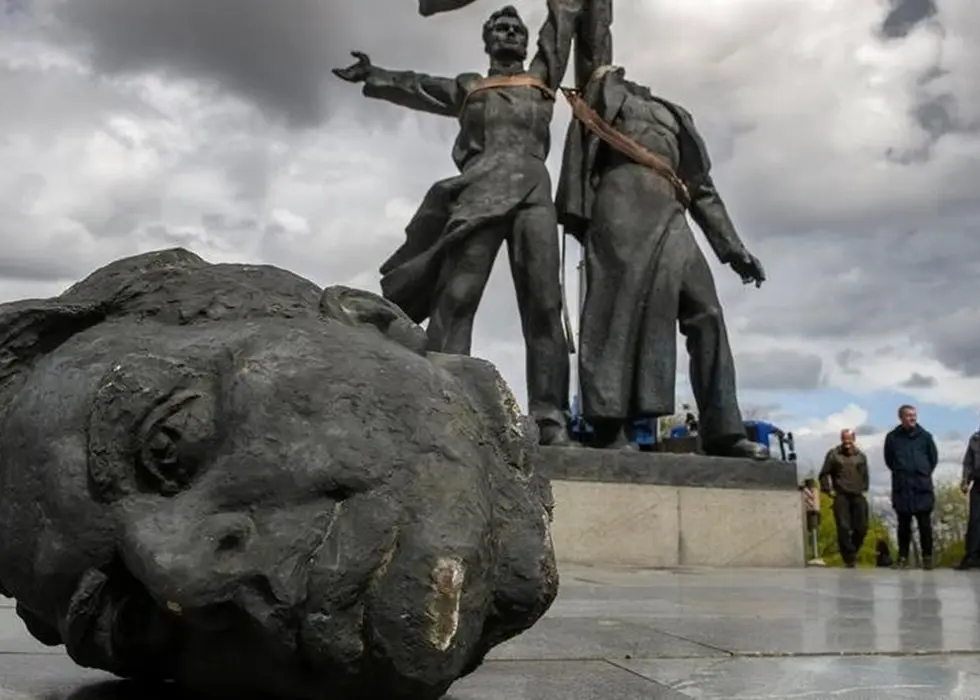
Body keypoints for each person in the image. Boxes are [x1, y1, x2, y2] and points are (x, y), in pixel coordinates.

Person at [334, 3, 589, 446]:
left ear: (527, 44)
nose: (510, 33)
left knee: (544, 305)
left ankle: (550, 414)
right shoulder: (470, 86)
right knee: (457, 296)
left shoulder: (541, 77)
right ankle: (444, 399)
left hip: (532, 190)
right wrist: (375, 75)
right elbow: (418, 86)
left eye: (517, 29)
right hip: (481, 188)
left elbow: (562, 22)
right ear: (487, 40)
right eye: (501, 28)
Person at [554, 0, 766, 458]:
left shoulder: (674, 114)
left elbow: (702, 189)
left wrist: (734, 249)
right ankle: (612, 428)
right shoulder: (607, 91)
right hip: (620, 207)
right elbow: (594, 37)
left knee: (705, 311)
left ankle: (723, 429)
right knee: (616, 312)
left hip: (671, 214)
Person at [884, 404, 938, 570]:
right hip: (903, 488)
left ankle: (928, 558)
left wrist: (922, 472)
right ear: (901, 418)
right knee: (903, 526)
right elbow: (889, 460)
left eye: (914, 415)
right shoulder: (892, 438)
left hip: (922, 488)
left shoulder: (926, 437)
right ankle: (903, 558)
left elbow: (933, 459)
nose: (912, 418)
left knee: (925, 526)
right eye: (909, 415)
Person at [819, 429, 870, 568]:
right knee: (843, 527)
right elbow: (824, 474)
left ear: (854, 439)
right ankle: (849, 557)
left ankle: (853, 549)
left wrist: (865, 489)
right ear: (841, 439)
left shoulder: (861, 456)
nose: (847, 443)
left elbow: (865, 474)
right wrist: (828, 490)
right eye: (844, 439)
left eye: (849, 439)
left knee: (862, 527)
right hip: (841, 494)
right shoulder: (834, 455)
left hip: (858, 494)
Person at [957, 427, 980, 570]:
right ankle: (973, 556)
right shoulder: (975, 438)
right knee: (975, 521)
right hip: (978, 483)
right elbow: (968, 462)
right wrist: (965, 480)